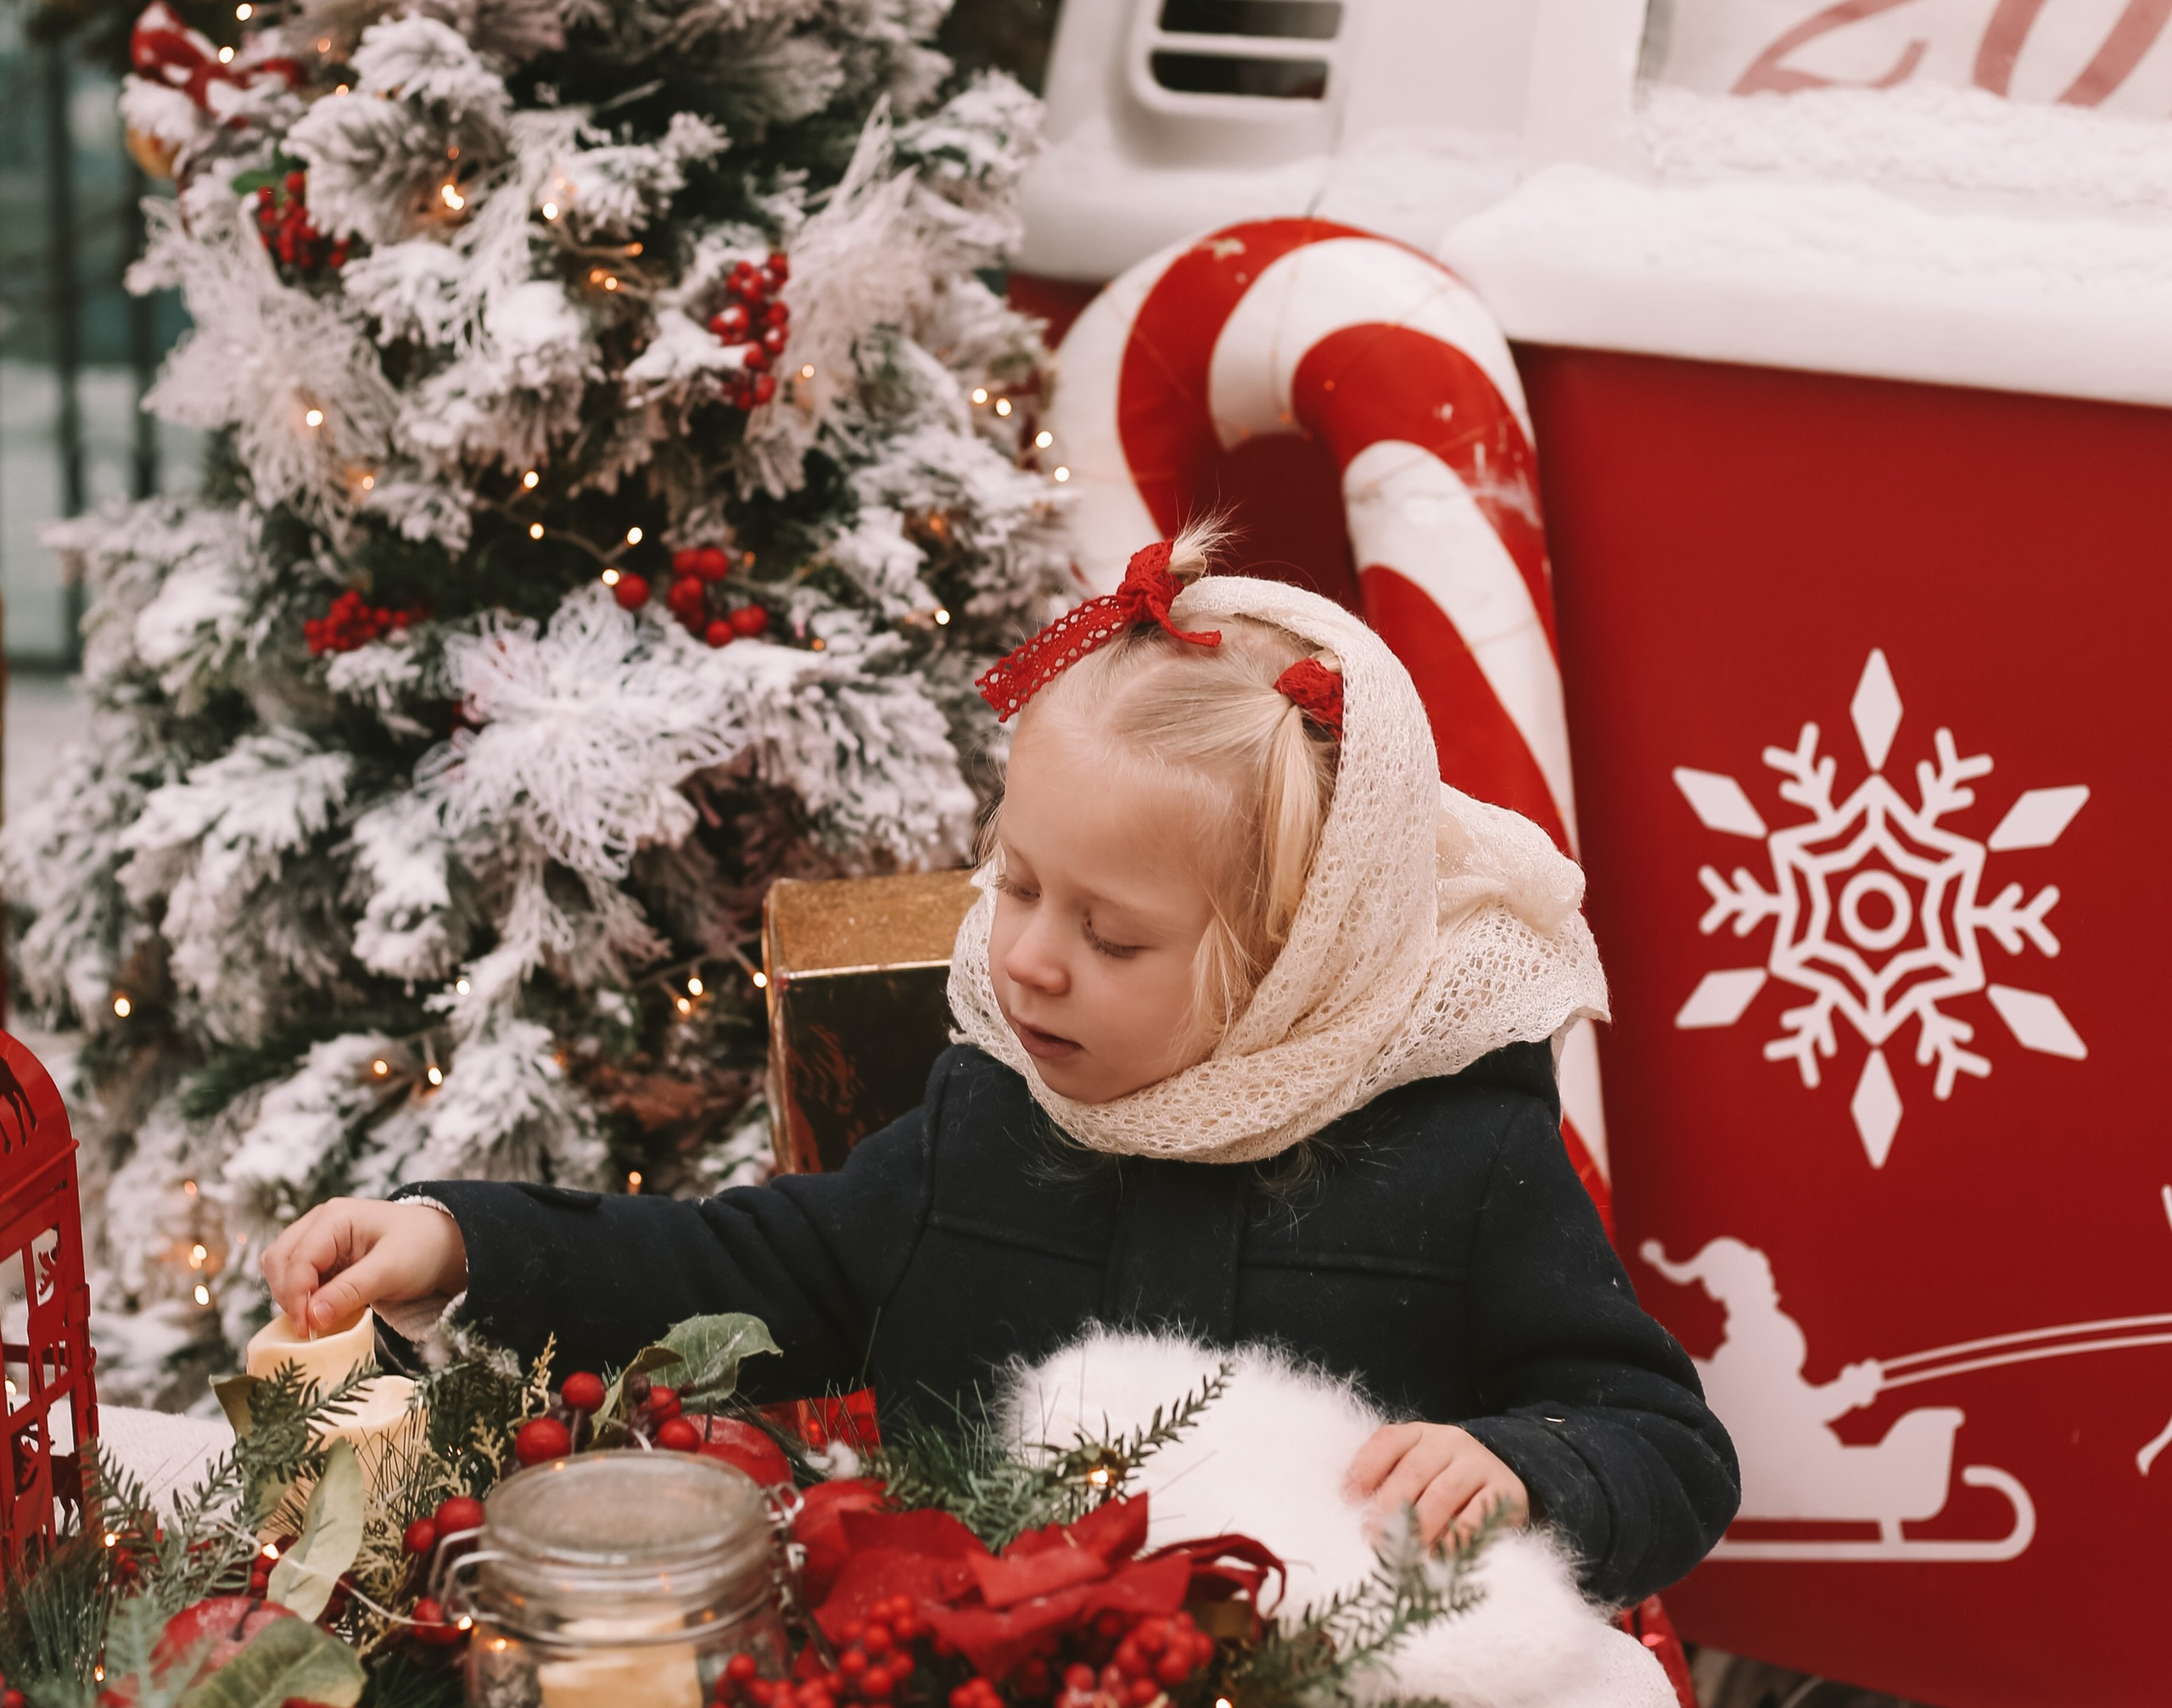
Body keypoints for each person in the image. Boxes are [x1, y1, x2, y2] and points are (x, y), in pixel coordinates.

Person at [261, 538, 1738, 1604]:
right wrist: (462, 1238)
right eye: (1017, 883)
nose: (1028, 958)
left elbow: (1663, 1441)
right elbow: (750, 1268)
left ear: (1289, 962)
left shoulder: (1455, 1158)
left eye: (1111, 934)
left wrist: (1527, 1469)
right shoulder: (990, 1112)